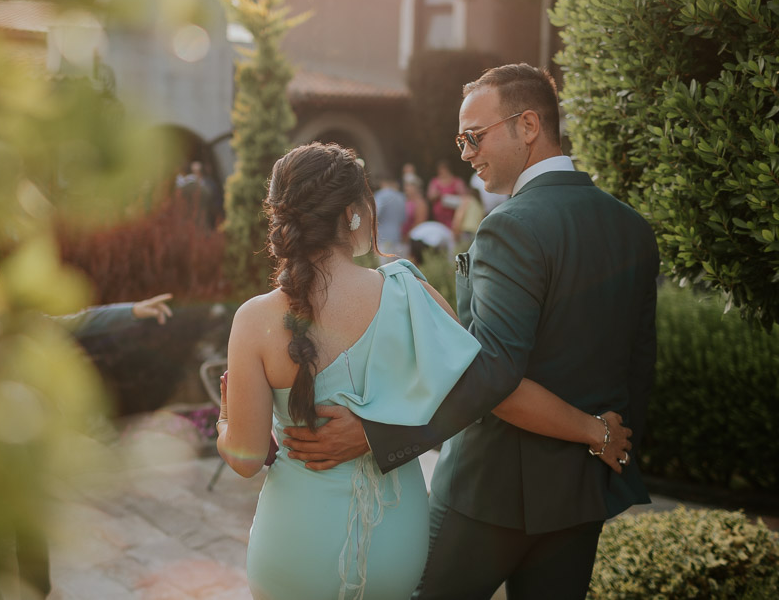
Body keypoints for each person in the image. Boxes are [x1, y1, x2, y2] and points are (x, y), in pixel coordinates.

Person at [281, 64, 659, 600]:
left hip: (489, 492)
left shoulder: (512, 225)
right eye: (462, 139)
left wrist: (377, 435)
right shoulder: (632, 228)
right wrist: (611, 445)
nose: (465, 152)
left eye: (474, 136)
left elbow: (492, 372)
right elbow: (640, 363)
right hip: (581, 492)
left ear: (528, 125)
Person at [216, 142, 631, 600]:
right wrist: (594, 431)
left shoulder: (254, 320)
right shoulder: (409, 294)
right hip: (394, 543)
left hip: (293, 543)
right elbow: (491, 387)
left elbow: (247, 458)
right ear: (354, 214)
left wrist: (224, 422)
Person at [0, 261, 174, 600]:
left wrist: (133, 310)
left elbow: (83, 320)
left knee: (30, 542)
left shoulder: (22, 325)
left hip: (25, 456)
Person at [372, 175, 406, 256]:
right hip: (397, 236)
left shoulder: (381, 195)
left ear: (383, 183)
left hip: (383, 236)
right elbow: (404, 218)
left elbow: (375, 214)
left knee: (383, 266)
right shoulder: (401, 197)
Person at [425, 161, 466, 227]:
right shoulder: (435, 181)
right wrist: (436, 195)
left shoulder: (457, 181)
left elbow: (465, 197)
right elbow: (430, 197)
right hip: (438, 217)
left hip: (454, 215)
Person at [400, 179, 428, 247]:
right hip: (401, 237)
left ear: (416, 188)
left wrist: (408, 236)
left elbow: (420, 222)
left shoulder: (420, 203)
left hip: (413, 237)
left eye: (409, 186)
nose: (406, 188)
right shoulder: (405, 200)